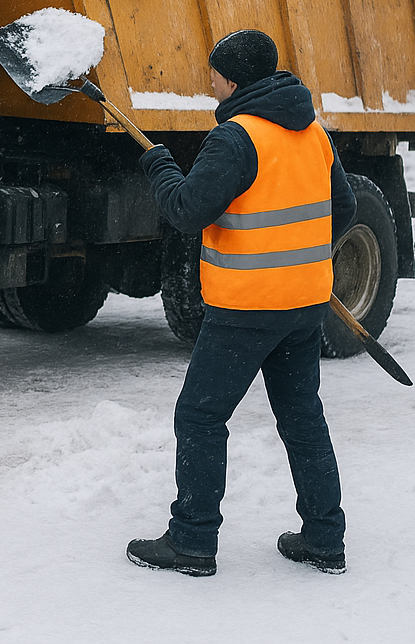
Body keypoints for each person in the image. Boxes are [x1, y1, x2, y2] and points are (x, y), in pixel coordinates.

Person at [126, 29, 358, 577]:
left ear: (233, 80)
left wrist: (159, 165)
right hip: (304, 305)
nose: (210, 85)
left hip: (246, 310)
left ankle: (192, 542)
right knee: (302, 418)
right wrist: (297, 260)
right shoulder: (313, 133)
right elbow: (344, 209)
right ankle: (325, 539)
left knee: (200, 417)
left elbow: (186, 211)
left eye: (213, 76)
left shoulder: (236, 138)